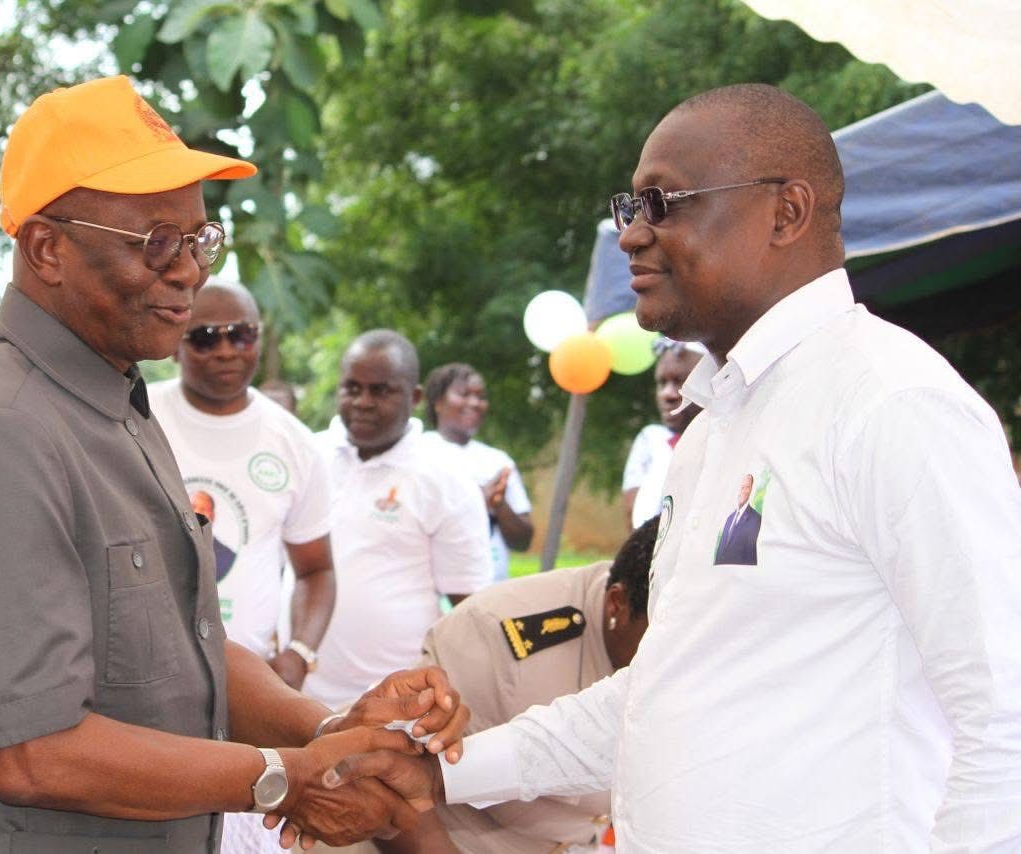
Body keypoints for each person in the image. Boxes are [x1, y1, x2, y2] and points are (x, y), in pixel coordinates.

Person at [326, 84, 1021, 852]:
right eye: (632, 206)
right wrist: (438, 774)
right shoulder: (715, 425)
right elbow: (659, 693)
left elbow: (1004, 722)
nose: (632, 235)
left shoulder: (892, 403)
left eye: (663, 203)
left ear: (786, 213)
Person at [0, 75, 467, 853]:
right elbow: (32, 753)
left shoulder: (110, 395)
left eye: (199, 240)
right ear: (48, 248)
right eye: (156, 242)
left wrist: (328, 730)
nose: (191, 271)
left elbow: (179, 647)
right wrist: (281, 776)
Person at [150, 279, 337, 854]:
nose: (226, 350)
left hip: (248, 699)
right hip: (144, 685)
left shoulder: (293, 442)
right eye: (205, 337)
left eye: (242, 335)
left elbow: (316, 571)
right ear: (177, 340)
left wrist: (298, 655)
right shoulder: (133, 416)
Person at [357, 517, 656, 854]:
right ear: (617, 604)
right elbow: (388, 763)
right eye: (658, 638)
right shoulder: (498, 632)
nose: (669, 659)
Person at [302, 332, 493, 712]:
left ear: (415, 397)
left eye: (381, 391)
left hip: (394, 706)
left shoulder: (446, 478)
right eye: (352, 388)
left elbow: (469, 605)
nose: (363, 402)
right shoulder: (310, 454)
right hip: (295, 695)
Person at [419, 363, 533, 583]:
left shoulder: (498, 461)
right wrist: (474, 498)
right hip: (433, 589)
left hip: (490, 590)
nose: (474, 403)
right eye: (464, 394)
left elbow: (523, 542)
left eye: (481, 397)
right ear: (438, 402)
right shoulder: (418, 452)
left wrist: (499, 503)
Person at [620, 338, 703, 530]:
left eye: (681, 382)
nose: (667, 394)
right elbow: (634, 516)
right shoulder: (650, 440)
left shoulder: (727, 442)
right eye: (662, 382)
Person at [713, 472, 761, 566]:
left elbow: (751, 558)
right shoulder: (729, 519)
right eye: (742, 487)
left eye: (747, 487)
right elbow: (720, 552)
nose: (743, 491)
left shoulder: (755, 519)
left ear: (751, 490)